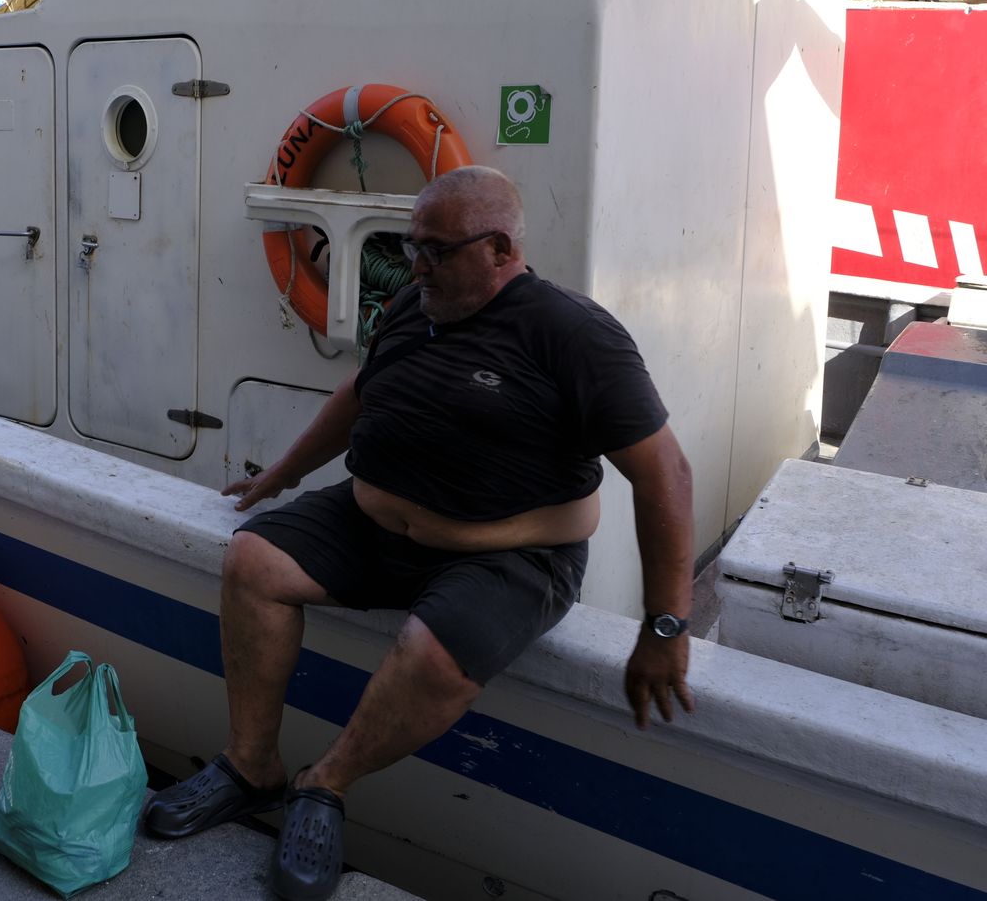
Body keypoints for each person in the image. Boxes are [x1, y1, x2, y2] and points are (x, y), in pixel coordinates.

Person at [142, 166, 695, 901]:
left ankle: (323, 784)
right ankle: (252, 766)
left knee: (430, 654)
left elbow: (666, 475)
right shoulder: (413, 302)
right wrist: (282, 472)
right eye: (410, 247)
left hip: (510, 556)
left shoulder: (573, 333)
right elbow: (358, 395)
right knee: (253, 560)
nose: (417, 265)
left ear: (499, 248)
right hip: (372, 522)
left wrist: (666, 625)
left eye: (435, 250)